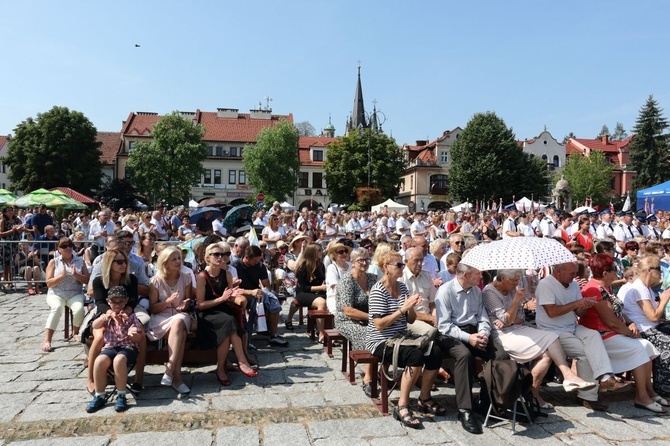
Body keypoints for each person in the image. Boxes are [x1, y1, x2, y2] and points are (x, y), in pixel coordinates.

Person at [483, 269, 596, 409]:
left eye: (518, 280)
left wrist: (509, 318)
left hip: (518, 329)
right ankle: (560, 379)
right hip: (502, 335)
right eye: (514, 280)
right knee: (549, 345)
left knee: (550, 345)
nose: (517, 283)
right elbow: (505, 321)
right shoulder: (489, 292)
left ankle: (534, 390)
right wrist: (515, 305)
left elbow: (519, 318)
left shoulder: (513, 290)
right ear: (503, 278)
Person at [535, 262, 632, 412]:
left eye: (575, 273)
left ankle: (605, 378)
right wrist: (577, 303)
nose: (575, 277)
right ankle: (588, 396)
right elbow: (552, 312)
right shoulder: (545, 284)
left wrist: (585, 305)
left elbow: (579, 313)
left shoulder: (573, 284)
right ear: (559, 271)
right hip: (553, 330)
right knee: (584, 353)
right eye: (571, 273)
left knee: (593, 334)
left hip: (571, 326)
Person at [366, 250, 444, 430]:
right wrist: (402, 309)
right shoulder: (379, 291)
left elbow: (409, 320)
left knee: (435, 351)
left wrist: (410, 309)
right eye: (399, 265)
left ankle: (424, 397)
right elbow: (379, 325)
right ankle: (402, 405)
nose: (402, 268)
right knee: (415, 356)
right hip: (380, 340)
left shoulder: (401, 287)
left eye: (402, 264)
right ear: (386, 268)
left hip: (400, 336)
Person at [580, 254, 665, 413]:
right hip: (601, 334)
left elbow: (618, 312)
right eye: (614, 270)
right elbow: (610, 321)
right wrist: (630, 332)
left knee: (646, 346)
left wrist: (630, 322)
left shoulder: (605, 286)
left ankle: (648, 391)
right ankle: (642, 396)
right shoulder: (595, 289)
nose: (617, 273)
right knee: (639, 348)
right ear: (605, 273)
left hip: (610, 331)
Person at [434, 262, 507, 434]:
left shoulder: (476, 291)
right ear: (465, 275)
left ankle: (487, 401)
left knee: (500, 355)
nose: (482, 276)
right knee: (464, 356)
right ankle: (465, 410)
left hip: (473, 331)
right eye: (478, 273)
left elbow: (482, 317)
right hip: (450, 334)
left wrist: (483, 333)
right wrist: (469, 338)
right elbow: (444, 326)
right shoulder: (445, 291)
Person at [196, 242, 257, 386]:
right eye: (215, 254)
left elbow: (230, 296)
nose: (220, 257)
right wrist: (221, 298)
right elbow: (200, 305)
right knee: (229, 321)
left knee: (228, 325)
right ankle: (241, 360)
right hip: (208, 313)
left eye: (222, 254)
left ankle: (222, 369)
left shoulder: (227, 274)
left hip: (224, 312)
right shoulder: (202, 277)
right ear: (207, 258)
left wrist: (236, 292)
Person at [88, 248, 143, 394]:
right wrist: (112, 313)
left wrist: (125, 313)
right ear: (109, 263)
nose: (123, 264)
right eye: (119, 262)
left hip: (128, 310)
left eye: (125, 261)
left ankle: (139, 379)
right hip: (104, 312)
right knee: (99, 336)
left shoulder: (131, 279)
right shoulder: (99, 281)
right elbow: (99, 302)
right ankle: (91, 378)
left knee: (141, 331)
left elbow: (133, 300)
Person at [86, 286, 143, 413]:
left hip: (128, 347)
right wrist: (102, 318)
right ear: (108, 302)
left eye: (120, 302)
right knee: (99, 361)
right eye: (114, 302)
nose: (117, 305)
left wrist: (133, 334)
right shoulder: (107, 316)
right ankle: (99, 395)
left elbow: (137, 338)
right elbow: (95, 325)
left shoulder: (131, 317)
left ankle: (121, 395)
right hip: (110, 346)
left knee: (119, 360)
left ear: (126, 301)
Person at [622, 255, 670, 396]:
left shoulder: (645, 287)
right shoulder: (639, 288)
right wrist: (664, 301)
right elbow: (654, 317)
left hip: (648, 327)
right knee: (667, 345)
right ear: (649, 270)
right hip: (641, 330)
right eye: (659, 270)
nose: (661, 273)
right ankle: (663, 389)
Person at [147, 246, 192, 395]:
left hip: (180, 316)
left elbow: (188, 301)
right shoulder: (155, 281)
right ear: (165, 263)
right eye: (174, 259)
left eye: (179, 258)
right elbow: (153, 308)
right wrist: (167, 301)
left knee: (179, 322)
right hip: (162, 317)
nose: (178, 261)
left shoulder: (186, 277)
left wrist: (186, 303)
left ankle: (169, 368)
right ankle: (177, 377)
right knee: (181, 333)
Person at [335, 247, 376, 396]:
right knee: (368, 333)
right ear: (352, 263)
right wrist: (372, 318)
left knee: (387, 330)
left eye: (367, 259)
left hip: (368, 317)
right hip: (347, 320)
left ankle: (383, 369)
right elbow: (348, 310)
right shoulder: (348, 281)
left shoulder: (372, 278)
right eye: (361, 260)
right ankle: (368, 378)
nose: (365, 262)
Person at [233, 245, 287, 347]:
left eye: (258, 260)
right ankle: (246, 335)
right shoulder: (235, 266)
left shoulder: (259, 266)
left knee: (274, 301)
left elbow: (266, 284)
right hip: (241, 293)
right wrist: (250, 292)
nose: (257, 262)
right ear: (246, 257)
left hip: (256, 292)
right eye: (254, 261)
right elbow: (233, 289)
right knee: (248, 301)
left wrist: (265, 291)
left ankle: (273, 335)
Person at [42, 237, 90, 352]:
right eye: (64, 246)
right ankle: (47, 339)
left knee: (79, 309)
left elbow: (87, 280)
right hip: (56, 293)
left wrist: (76, 275)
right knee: (57, 308)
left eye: (70, 245)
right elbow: (49, 283)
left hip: (75, 292)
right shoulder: (54, 262)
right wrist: (61, 277)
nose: (68, 248)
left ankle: (75, 333)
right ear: (59, 249)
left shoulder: (80, 261)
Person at [294, 243, 328, 342]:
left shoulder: (320, 265)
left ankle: (329, 331)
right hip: (303, 293)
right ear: (312, 252)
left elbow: (322, 280)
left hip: (318, 292)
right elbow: (304, 287)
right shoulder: (303, 266)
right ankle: (321, 333)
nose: (322, 252)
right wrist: (321, 287)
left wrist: (323, 286)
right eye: (319, 250)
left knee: (332, 301)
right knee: (322, 303)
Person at [325, 239, 352, 314]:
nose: (344, 253)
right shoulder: (332, 268)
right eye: (341, 252)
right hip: (336, 299)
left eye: (346, 251)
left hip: (352, 298)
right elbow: (336, 288)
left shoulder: (351, 265)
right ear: (334, 255)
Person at [0, 206, 24, 288]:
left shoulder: (17, 220)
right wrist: (11, 230)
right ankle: (6, 280)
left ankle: (11, 281)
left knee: (12, 263)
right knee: (6, 263)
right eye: (8, 210)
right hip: (6, 244)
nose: (11, 212)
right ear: (5, 212)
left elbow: (20, 232)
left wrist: (19, 230)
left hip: (14, 243)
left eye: (11, 210)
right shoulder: (3, 221)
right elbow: (0, 234)